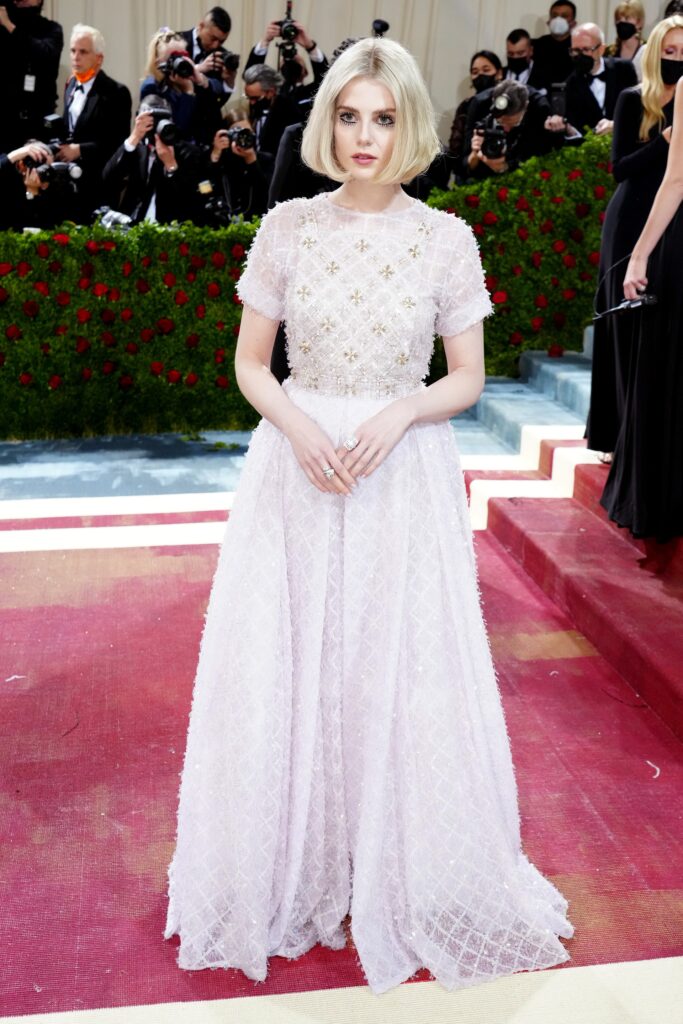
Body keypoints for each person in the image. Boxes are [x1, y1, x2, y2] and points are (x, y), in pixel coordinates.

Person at [164, 36, 573, 993]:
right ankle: (295, 862)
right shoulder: (288, 228)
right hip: (297, 467)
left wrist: (401, 411)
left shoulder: (445, 239)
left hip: (400, 474)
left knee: (394, 662)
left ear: (410, 126)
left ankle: (399, 862)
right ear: (326, 123)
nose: (364, 136)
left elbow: (465, 378)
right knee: (293, 657)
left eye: (383, 119)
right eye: (348, 116)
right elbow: (250, 363)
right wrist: (298, 427)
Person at [587, 15, 683, 463]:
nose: (677, 60)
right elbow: (620, 167)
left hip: (672, 224)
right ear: (655, 52)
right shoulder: (632, 98)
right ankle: (614, 435)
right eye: (670, 51)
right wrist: (665, 141)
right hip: (629, 220)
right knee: (622, 329)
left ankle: (648, 440)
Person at [58, 24, 131, 221]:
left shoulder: (116, 92)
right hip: (69, 180)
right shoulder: (71, 84)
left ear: (99, 58)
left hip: (99, 182)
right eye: (73, 51)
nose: (76, 57)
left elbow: (118, 142)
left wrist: (80, 150)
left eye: (83, 52)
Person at [101, 95, 203, 224]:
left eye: (162, 118)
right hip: (132, 224)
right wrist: (134, 137)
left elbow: (191, 200)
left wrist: (170, 165)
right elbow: (108, 179)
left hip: (169, 227)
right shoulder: (137, 148)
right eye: (150, 119)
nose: (155, 125)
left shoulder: (188, 152)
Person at [544, 22, 637, 139]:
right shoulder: (569, 84)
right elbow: (577, 130)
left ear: (601, 49)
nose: (580, 55)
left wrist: (616, 125)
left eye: (586, 49)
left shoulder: (624, 69)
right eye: (575, 50)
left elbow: (636, 111)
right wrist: (567, 128)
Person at [463, 79, 561, 179]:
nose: (506, 129)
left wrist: (506, 167)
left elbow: (542, 158)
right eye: (500, 122)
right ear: (492, 101)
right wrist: (474, 154)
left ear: (526, 106)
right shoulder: (479, 104)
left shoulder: (539, 108)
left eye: (514, 123)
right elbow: (463, 166)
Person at [140, 29, 223, 146]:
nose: (179, 62)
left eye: (182, 56)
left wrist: (201, 80)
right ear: (158, 62)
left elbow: (219, 91)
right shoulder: (152, 87)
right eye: (174, 58)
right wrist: (188, 92)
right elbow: (177, 130)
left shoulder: (187, 78)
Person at [0, 0, 63, 152]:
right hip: (5, 122)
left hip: (38, 122)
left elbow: (45, 54)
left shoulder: (51, 29)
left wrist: (10, 27)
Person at [205, 107, 268, 220]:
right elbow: (206, 187)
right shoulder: (223, 162)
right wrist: (215, 154)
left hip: (259, 220)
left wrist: (252, 160)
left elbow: (267, 193)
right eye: (237, 133)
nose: (242, 138)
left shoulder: (266, 159)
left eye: (246, 132)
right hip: (226, 222)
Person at [448, 50, 504, 169]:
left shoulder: (507, 103)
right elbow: (455, 149)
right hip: (470, 168)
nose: (480, 75)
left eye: (486, 70)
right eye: (475, 72)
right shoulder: (465, 106)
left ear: (499, 73)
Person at [242, 63, 300, 175]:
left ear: (271, 92)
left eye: (255, 98)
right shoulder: (255, 108)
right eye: (248, 97)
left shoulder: (289, 112)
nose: (251, 102)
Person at [180, 6, 237, 98]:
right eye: (213, 38)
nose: (215, 46)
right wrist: (199, 68)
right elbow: (166, 79)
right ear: (201, 26)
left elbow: (218, 101)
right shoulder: (176, 41)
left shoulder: (222, 55)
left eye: (221, 41)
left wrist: (229, 82)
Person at [532, 1, 578, 89]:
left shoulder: (579, 47)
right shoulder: (536, 45)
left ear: (573, 23)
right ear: (549, 21)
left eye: (564, 16)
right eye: (554, 16)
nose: (558, 20)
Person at [605, 1, 646, 81]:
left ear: (639, 23)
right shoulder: (609, 52)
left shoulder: (647, 51)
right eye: (618, 19)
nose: (621, 23)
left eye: (627, 19)